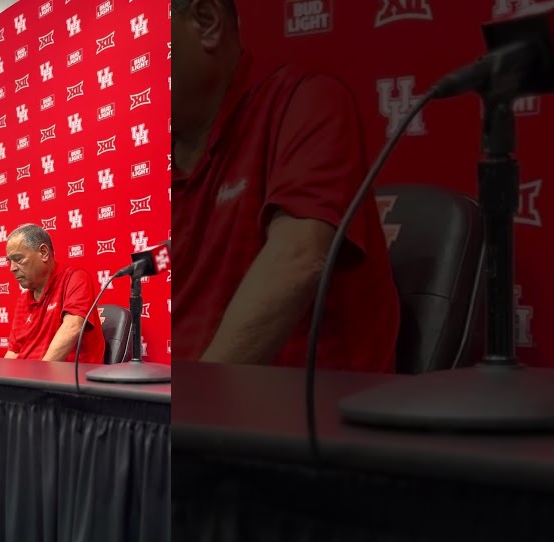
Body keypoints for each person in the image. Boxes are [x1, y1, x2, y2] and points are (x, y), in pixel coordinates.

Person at [171, 0, 401, 372]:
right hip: (184, 408)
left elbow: (298, 258)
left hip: (298, 412)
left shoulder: (307, 101)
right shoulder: (156, 160)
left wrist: (193, 406)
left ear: (206, 21)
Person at [3, 224, 105, 364]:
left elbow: (73, 328)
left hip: (61, 379)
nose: (12, 268)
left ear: (44, 253)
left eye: (18, 259)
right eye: (10, 261)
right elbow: (14, 351)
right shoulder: (23, 299)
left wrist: (40, 379)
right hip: (27, 379)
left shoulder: (74, 278)